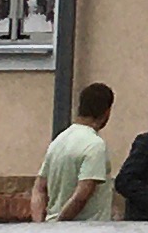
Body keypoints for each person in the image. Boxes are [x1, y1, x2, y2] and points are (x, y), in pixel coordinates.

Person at [38, 82, 116, 220]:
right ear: (107, 112)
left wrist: (40, 227)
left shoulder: (58, 141)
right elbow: (82, 195)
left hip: (52, 232)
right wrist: (59, 223)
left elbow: (39, 189)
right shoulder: (95, 145)